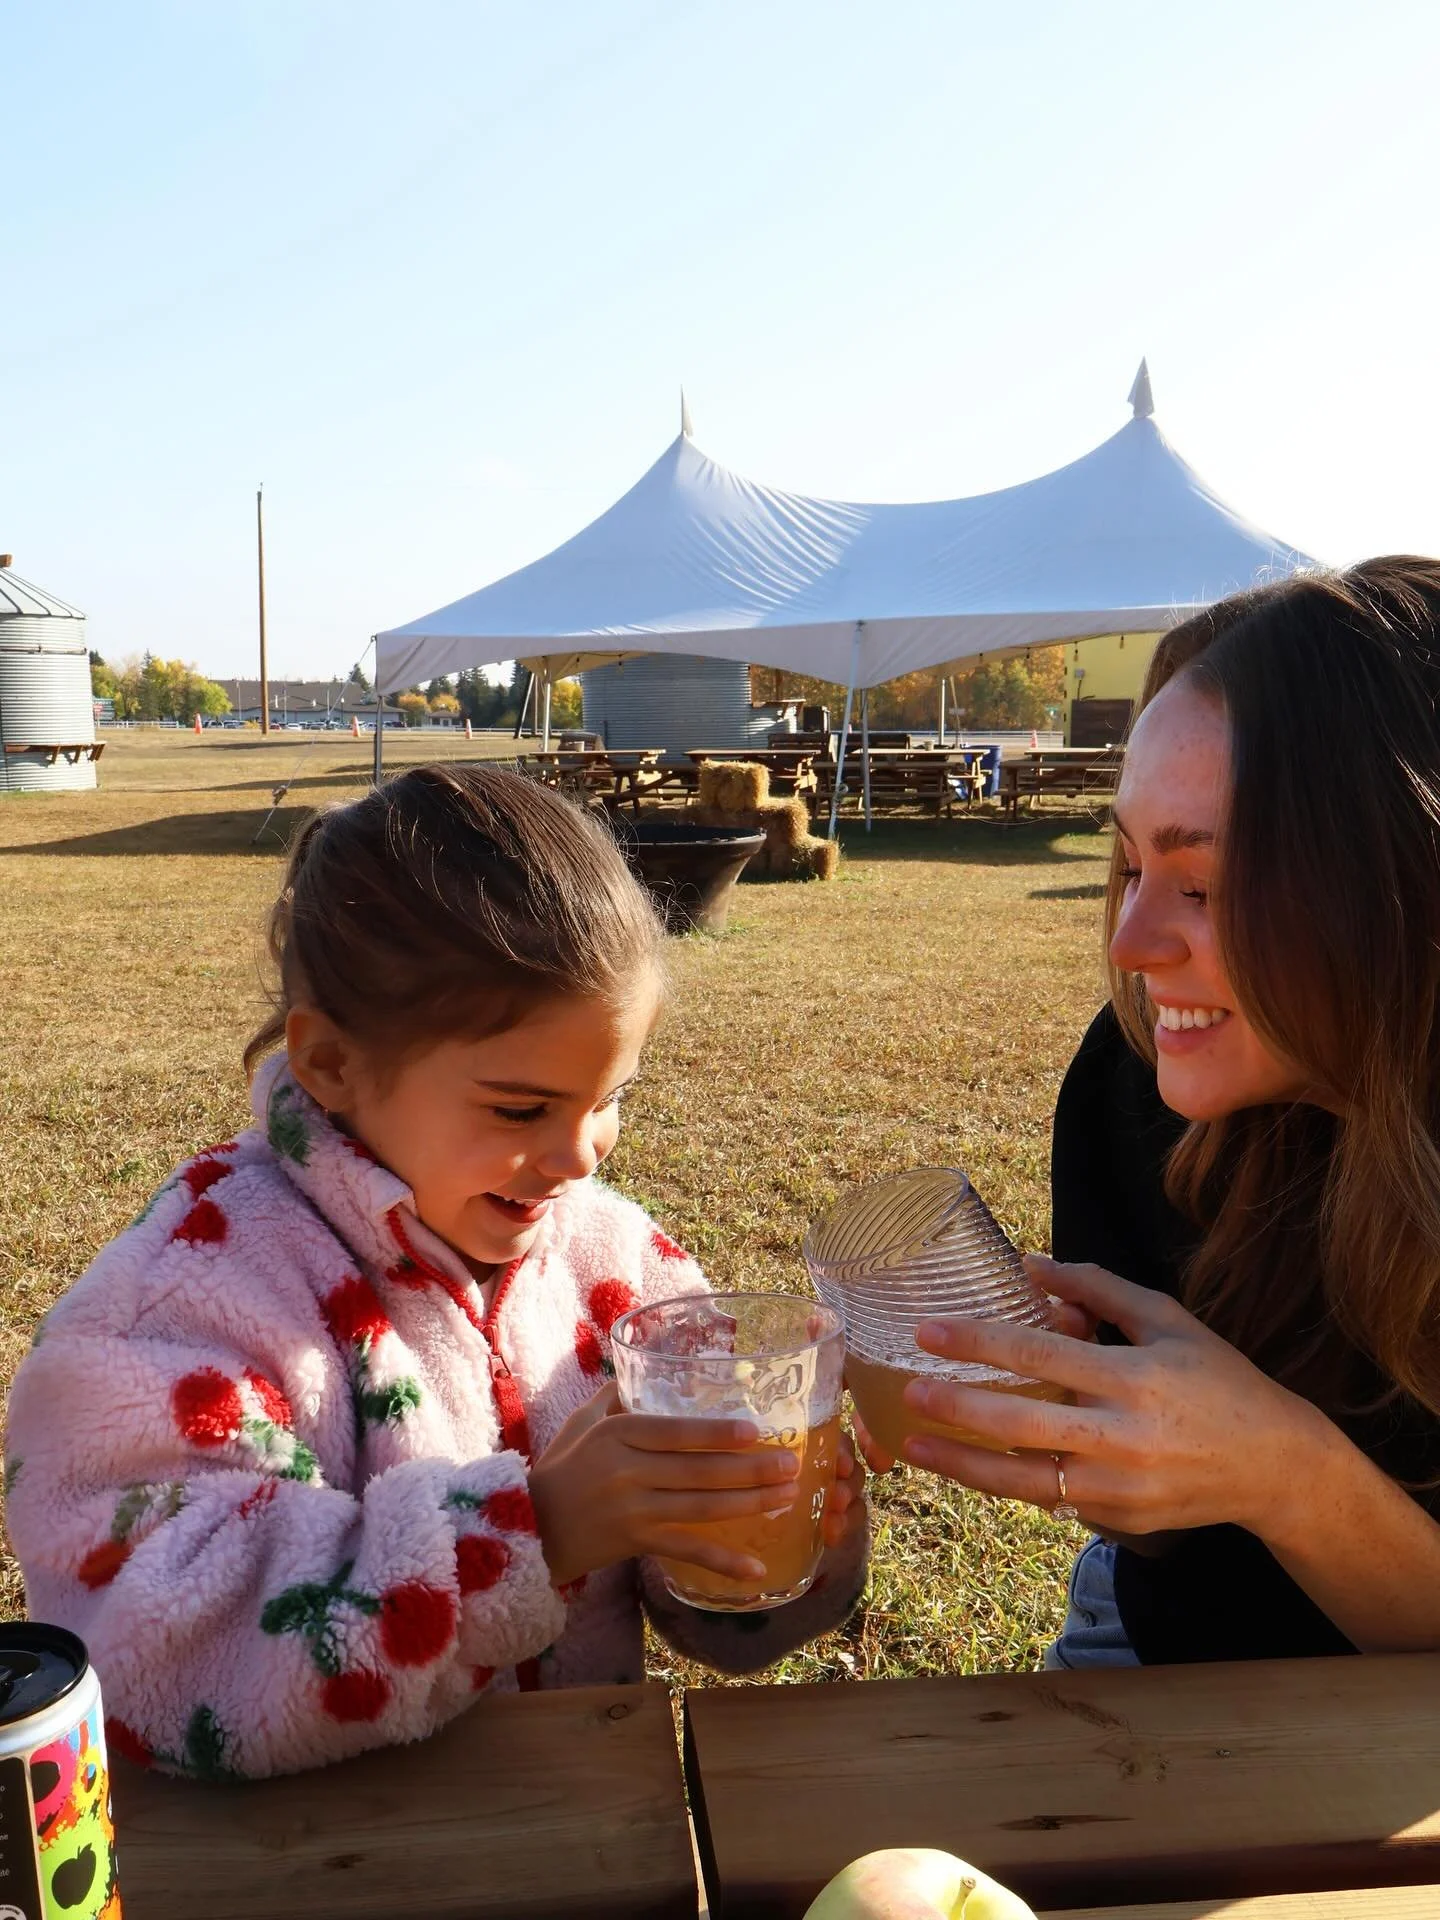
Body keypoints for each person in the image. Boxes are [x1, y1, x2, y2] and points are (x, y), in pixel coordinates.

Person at [5, 765, 867, 1776]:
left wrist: (758, 1544)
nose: (583, 1153)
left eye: (609, 1097)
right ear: (331, 1065)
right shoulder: (178, 1309)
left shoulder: (617, 1267)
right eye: (520, 1110)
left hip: (586, 1843)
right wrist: (534, 1530)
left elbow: (706, 1623)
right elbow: (166, 1666)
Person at [864, 557, 1440, 1666]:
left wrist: (1290, 1475)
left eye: (1204, 885)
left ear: (1400, 885)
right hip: (1162, 1659)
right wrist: (1122, 1456)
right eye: (1127, 863)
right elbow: (1172, 1561)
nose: (1130, 945)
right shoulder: (1135, 1084)